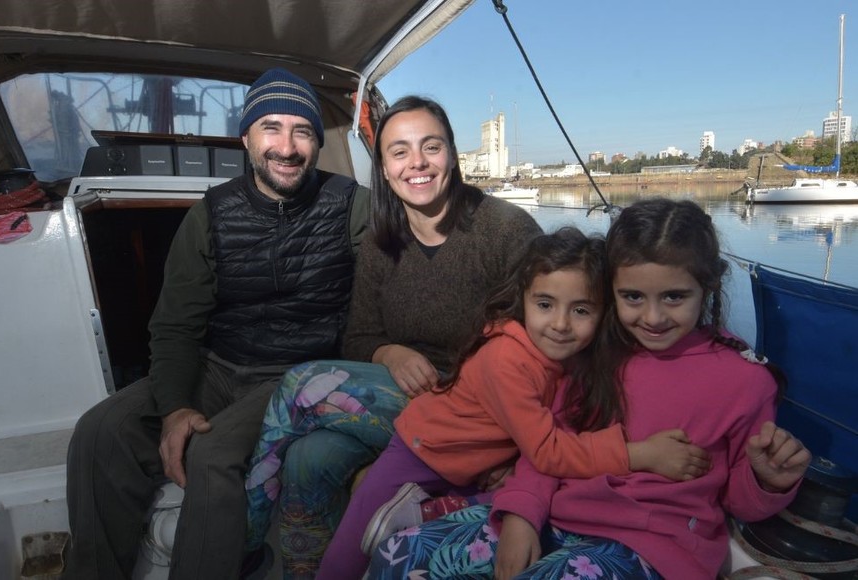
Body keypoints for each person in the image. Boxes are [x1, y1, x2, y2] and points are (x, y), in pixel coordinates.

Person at [365, 197, 812, 580]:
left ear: (707, 286)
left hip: (655, 544)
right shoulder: (599, 353)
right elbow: (550, 450)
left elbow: (738, 501)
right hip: (560, 516)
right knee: (398, 556)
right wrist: (520, 514)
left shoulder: (745, 381)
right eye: (633, 297)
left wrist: (768, 481)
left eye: (674, 297)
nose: (653, 318)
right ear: (612, 292)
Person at [62, 67, 371, 580]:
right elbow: (175, 326)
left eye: (302, 131)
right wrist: (176, 405)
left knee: (213, 455)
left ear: (317, 141)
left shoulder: (351, 205)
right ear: (246, 137)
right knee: (101, 430)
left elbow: (391, 285)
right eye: (271, 127)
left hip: (296, 375)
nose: (287, 147)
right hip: (219, 366)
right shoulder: (211, 213)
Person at [243, 95, 544, 578]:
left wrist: (518, 450)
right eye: (399, 152)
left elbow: (548, 355)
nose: (417, 163)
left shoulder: (505, 232)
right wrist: (390, 351)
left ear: (452, 155)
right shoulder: (385, 242)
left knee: (299, 385)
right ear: (383, 169)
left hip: (482, 408)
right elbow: (359, 336)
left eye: (431, 146)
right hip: (404, 397)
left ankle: (247, 542)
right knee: (307, 457)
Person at [316, 226, 712, 579]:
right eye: (545, 305)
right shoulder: (507, 359)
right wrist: (640, 455)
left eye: (580, 310)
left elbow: (540, 437)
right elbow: (547, 449)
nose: (560, 324)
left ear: (603, 312)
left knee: (503, 499)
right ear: (522, 300)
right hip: (424, 450)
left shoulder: (577, 359)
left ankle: (430, 510)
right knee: (350, 548)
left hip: (479, 461)